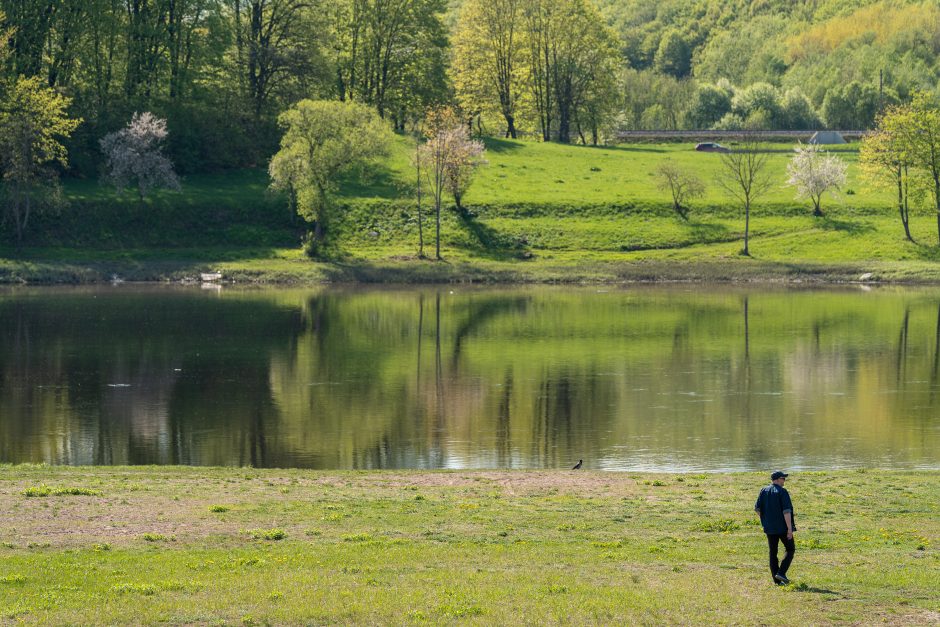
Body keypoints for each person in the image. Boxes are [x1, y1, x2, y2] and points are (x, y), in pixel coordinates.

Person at [754, 470, 796, 585]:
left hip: (769, 528)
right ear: (777, 479)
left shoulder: (763, 491)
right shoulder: (782, 492)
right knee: (790, 549)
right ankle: (781, 573)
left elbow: (757, 509)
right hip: (782, 527)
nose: (784, 481)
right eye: (783, 478)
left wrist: (767, 520)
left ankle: (776, 581)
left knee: (773, 552)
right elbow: (786, 511)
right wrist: (789, 529)